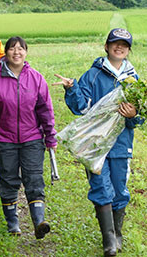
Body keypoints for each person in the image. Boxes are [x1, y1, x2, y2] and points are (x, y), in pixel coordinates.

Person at [53, 28, 144, 256]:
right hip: (94, 145)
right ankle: (109, 239)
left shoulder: (134, 80)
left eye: (124, 44)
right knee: (100, 187)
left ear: (128, 50)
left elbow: (141, 115)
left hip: (122, 145)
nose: (119, 47)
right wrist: (72, 89)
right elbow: (81, 107)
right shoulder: (93, 75)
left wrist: (133, 115)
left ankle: (118, 232)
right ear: (106, 46)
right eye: (115, 43)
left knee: (120, 188)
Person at [0, 36, 57, 238]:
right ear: (6, 53)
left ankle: (39, 222)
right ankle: (13, 224)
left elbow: (45, 110)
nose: (16, 52)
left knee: (34, 179)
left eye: (21, 49)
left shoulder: (36, 78)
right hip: (5, 140)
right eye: (12, 48)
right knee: (9, 180)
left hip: (32, 138)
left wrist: (50, 137)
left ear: (26, 52)